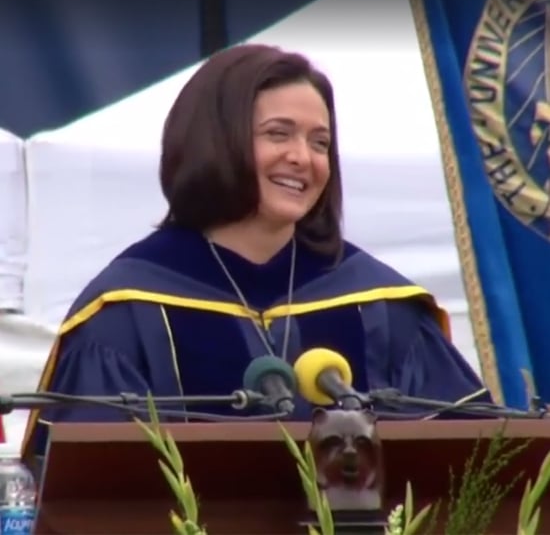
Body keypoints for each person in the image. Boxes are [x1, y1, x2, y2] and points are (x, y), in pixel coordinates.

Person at [21, 43, 491, 464]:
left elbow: (478, 470)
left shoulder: (380, 302)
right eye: (278, 134)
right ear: (215, 143)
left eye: (320, 142)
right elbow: (92, 494)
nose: (303, 157)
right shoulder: (126, 309)